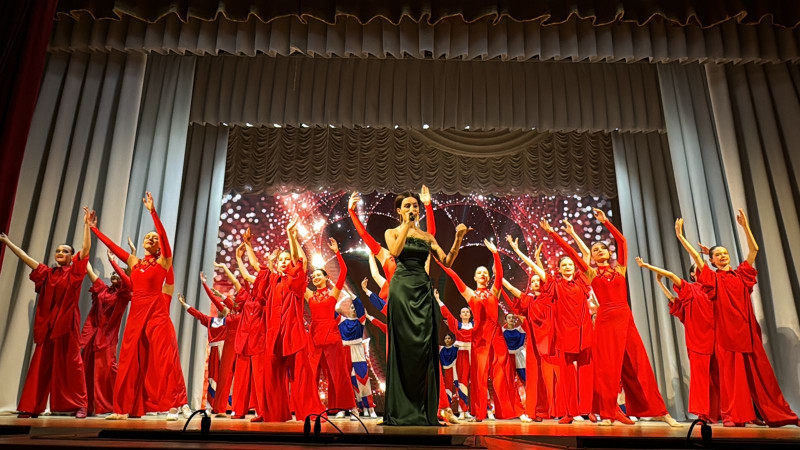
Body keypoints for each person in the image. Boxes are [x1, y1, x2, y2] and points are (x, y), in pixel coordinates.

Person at [549, 209, 677, 426]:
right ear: (592, 257)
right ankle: (608, 413)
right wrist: (553, 233)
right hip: (605, 321)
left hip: (625, 318)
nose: (599, 251)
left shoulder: (621, 270)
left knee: (638, 364)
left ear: (609, 254)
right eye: (594, 250)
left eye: (602, 248)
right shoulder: (591, 273)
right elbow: (571, 252)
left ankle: (660, 411)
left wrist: (606, 221)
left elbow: (623, 241)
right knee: (607, 369)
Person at [676, 213, 799, 427]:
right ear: (712, 261)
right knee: (732, 380)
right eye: (718, 255)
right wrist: (681, 237)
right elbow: (696, 258)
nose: (723, 256)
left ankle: (780, 415)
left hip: (748, 333)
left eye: (725, 253)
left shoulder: (742, 274)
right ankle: (734, 416)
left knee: (763, 378)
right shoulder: (713, 279)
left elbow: (754, 250)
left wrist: (745, 227)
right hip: (727, 335)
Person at [91, 192, 185, 420]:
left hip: (156, 310)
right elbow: (113, 247)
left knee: (161, 359)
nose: (150, 239)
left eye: (154, 238)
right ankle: (124, 409)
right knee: (128, 359)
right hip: (136, 311)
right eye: (147, 237)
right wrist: (94, 229)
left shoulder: (164, 261)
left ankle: (172, 404)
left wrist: (153, 213)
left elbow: (164, 238)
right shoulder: (134, 262)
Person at [382, 191, 468, 426]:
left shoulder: (427, 236)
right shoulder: (392, 232)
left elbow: (446, 261)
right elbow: (395, 251)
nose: (413, 209)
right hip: (401, 290)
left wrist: (458, 239)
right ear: (399, 211)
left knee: (423, 349)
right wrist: (407, 226)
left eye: (415, 206)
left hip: (422, 290)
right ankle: (400, 408)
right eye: (407, 206)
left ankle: (423, 408)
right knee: (403, 347)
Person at [1, 207, 94, 418]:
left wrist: (86, 226)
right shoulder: (47, 273)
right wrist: (7, 242)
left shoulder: (76, 271)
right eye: (58, 251)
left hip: (67, 324)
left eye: (65, 251)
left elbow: (86, 248)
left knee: (72, 365)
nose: (60, 253)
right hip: (48, 326)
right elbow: (25, 257)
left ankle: (80, 405)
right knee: (40, 365)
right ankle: (32, 406)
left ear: (72, 256)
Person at [437, 239, 517, 421]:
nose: (483, 275)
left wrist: (495, 254)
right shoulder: (470, 294)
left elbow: (499, 275)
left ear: (488, 278)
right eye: (479, 273)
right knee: (480, 375)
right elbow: (455, 278)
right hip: (479, 337)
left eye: (485, 273)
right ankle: (479, 413)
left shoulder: (494, 292)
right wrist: (441, 265)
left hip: (496, 335)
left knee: (501, 373)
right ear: (474, 278)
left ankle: (505, 412)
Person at [636, 257, 719, 423]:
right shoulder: (690, 289)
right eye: (699, 269)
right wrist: (648, 267)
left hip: (718, 337)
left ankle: (719, 412)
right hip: (698, 339)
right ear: (693, 275)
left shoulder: (714, 290)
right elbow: (673, 286)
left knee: (718, 377)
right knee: (701, 378)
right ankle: (704, 413)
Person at [261, 217, 324, 422]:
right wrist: (269, 262)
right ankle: (274, 414)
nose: (284, 262)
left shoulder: (295, 281)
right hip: (274, 334)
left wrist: (291, 236)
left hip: (293, 333)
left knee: (301, 376)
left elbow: (300, 263)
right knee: (271, 376)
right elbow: (262, 272)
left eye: (287, 259)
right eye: (281, 259)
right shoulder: (274, 281)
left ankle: (309, 412)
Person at [503, 239, 560, 421]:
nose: (535, 282)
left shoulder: (550, 296)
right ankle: (536, 410)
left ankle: (558, 410)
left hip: (551, 342)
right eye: (532, 281)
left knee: (553, 377)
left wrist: (522, 253)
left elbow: (542, 274)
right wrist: (499, 278)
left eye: (538, 280)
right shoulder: (529, 301)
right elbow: (513, 290)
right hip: (534, 344)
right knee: (536, 377)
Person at [305, 238, 357, 417]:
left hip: (331, 337)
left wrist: (337, 252)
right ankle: (311, 407)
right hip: (314, 338)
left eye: (319, 275)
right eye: (313, 276)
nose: (315, 278)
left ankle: (344, 406)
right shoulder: (309, 295)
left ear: (326, 278)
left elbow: (344, 272)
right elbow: (297, 280)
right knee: (311, 375)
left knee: (337, 374)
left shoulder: (333, 293)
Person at [81, 251, 132, 416]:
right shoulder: (103, 290)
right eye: (113, 274)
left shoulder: (123, 294)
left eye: (118, 273)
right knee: (89, 368)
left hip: (108, 336)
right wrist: (84, 253)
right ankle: (88, 406)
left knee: (107, 369)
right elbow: (90, 272)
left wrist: (125, 258)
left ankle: (115, 403)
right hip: (92, 334)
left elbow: (129, 276)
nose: (114, 275)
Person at [177, 280, 229, 410]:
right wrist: (184, 305)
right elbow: (198, 314)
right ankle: (213, 404)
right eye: (219, 306)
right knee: (212, 376)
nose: (220, 308)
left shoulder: (229, 321)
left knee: (225, 377)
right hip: (214, 350)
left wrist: (208, 287)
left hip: (225, 350)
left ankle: (227, 405)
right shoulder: (210, 321)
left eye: (223, 306)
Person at [206, 261, 246, 416]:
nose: (235, 297)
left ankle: (240, 409)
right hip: (229, 344)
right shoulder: (231, 310)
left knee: (241, 377)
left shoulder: (246, 308)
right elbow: (216, 298)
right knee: (224, 376)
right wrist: (205, 285)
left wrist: (224, 268)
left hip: (242, 343)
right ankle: (220, 408)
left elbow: (236, 283)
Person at [436, 290, 474, 421]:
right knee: (462, 382)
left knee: (474, 382)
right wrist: (438, 300)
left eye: (467, 312)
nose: (465, 313)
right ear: (460, 315)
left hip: (473, 353)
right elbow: (446, 313)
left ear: (470, 314)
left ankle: (479, 409)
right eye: (463, 312)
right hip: (461, 354)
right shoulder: (456, 324)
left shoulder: (474, 325)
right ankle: (462, 410)